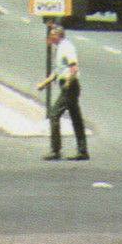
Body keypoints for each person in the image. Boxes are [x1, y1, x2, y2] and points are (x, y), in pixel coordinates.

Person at [34, 23, 87, 161]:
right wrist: (44, 84)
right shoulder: (59, 48)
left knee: (54, 114)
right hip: (68, 85)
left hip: (70, 85)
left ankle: (55, 150)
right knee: (76, 118)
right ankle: (83, 151)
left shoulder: (67, 47)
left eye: (52, 34)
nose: (50, 37)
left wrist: (68, 84)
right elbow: (58, 71)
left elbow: (73, 67)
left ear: (58, 35)